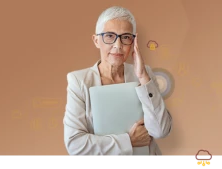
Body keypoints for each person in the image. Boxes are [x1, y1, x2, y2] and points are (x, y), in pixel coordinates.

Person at [63, 6, 172, 156]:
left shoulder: (144, 75)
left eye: (126, 37)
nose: (118, 45)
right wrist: (128, 140)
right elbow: (75, 144)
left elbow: (160, 131)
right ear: (96, 40)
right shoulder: (79, 81)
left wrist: (143, 77)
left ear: (134, 42)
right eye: (109, 36)